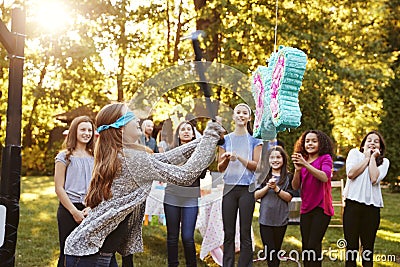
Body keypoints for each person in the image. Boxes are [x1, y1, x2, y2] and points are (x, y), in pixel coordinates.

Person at [64, 103, 225, 267]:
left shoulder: (121, 154)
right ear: (120, 128)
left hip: (94, 250)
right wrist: (211, 135)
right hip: (89, 254)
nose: (137, 120)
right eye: (131, 117)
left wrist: (206, 139)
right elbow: (185, 175)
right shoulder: (131, 159)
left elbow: (165, 159)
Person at [217, 103, 263, 267]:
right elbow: (220, 168)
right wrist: (226, 159)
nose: (241, 115)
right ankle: (227, 264)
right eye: (238, 113)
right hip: (229, 189)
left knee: (245, 232)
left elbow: (257, 166)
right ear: (233, 116)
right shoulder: (225, 140)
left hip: (246, 190)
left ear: (249, 118)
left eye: (245, 113)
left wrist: (240, 158)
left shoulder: (255, 140)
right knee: (228, 233)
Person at [343, 131, 390, 267]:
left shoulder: (384, 162)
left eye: (376, 141)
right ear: (363, 145)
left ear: (380, 148)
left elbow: (374, 178)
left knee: (368, 249)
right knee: (351, 248)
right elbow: (351, 174)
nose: (372, 143)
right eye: (369, 140)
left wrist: (373, 159)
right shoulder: (354, 154)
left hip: (372, 209)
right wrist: (366, 158)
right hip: (352, 206)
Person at [163, 121, 207, 267]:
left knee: (188, 237)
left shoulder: (199, 152)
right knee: (172, 236)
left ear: (194, 134)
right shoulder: (171, 151)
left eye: (189, 129)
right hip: (172, 195)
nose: (186, 131)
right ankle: (172, 264)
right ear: (178, 134)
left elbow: (201, 176)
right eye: (183, 129)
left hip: (190, 197)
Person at [54, 116, 95, 267]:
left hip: (90, 209)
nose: (87, 133)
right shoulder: (64, 156)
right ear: (74, 132)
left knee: (88, 253)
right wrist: (74, 211)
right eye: (83, 129)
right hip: (68, 209)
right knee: (67, 253)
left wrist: (91, 207)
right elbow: (59, 188)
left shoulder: (95, 156)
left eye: (90, 130)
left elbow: (97, 186)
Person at [291, 130, 334, 267]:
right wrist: (297, 170)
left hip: (321, 208)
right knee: (306, 247)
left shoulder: (325, 158)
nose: (310, 144)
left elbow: (324, 176)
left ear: (320, 143)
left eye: (314, 141)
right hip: (306, 208)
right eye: (307, 141)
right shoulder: (302, 160)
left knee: (312, 245)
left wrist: (305, 165)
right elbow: (295, 186)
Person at [254, 146, 294, 267]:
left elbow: (289, 197)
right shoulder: (263, 175)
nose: (275, 160)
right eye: (272, 157)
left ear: (283, 159)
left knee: (276, 250)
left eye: (278, 157)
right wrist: (267, 187)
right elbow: (255, 195)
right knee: (270, 251)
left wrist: (276, 189)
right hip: (265, 220)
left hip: (281, 220)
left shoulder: (288, 177)